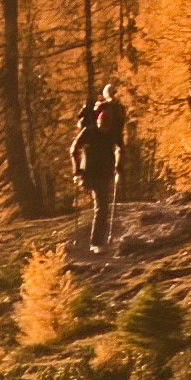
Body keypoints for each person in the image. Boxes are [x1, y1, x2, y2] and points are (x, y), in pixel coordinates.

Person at [72, 72, 131, 253]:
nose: (105, 129)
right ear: (99, 121)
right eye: (103, 125)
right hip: (90, 173)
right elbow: (73, 148)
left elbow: (120, 148)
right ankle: (96, 243)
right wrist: (77, 172)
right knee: (100, 208)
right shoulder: (90, 131)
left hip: (102, 173)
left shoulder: (109, 132)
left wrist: (119, 167)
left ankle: (96, 242)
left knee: (101, 208)